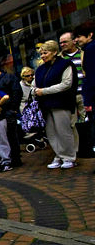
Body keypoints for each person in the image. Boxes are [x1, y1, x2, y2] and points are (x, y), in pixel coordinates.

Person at [32, 40, 78, 169]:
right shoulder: (40, 69)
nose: (42, 56)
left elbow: (66, 84)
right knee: (51, 132)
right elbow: (34, 84)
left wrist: (44, 91)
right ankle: (59, 155)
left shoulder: (65, 64)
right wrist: (35, 91)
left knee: (64, 131)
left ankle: (69, 157)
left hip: (61, 103)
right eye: (41, 54)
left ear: (54, 52)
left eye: (45, 53)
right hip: (46, 105)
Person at [73, 21, 95, 159]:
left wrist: (89, 101)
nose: (76, 40)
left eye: (79, 36)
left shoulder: (91, 49)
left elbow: (92, 76)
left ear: (90, 35)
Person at [60, 31, 86, 123]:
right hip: (68, 96)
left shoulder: (84, 54)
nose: (62, 45)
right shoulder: (60, 59)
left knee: (87, 120)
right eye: (61, 43)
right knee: (72, 123)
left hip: (84, 94)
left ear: (74, 41)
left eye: (65, 42)